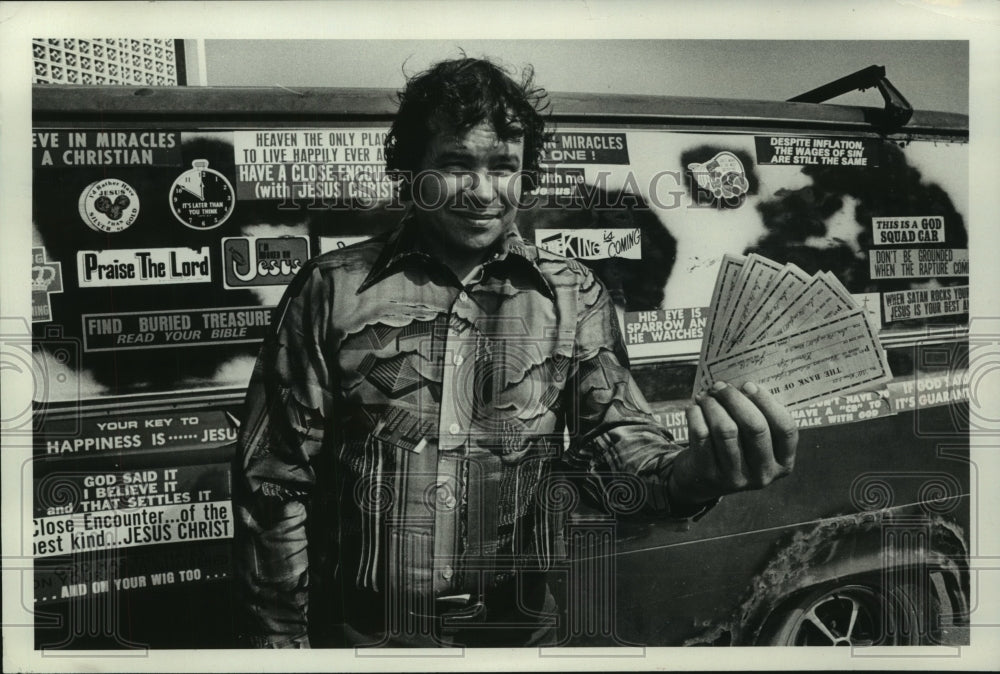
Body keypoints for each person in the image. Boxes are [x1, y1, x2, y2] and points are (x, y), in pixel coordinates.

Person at [233, 57, 798, 648]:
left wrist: (691, 476)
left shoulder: (573, 294)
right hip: (363, 636)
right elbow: (273, 483)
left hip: (518, 629)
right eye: (457, 164)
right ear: (411, 171)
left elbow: (616, 444)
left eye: (503, 167)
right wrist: (280, 647)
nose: (483, 191)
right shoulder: (331, 289)